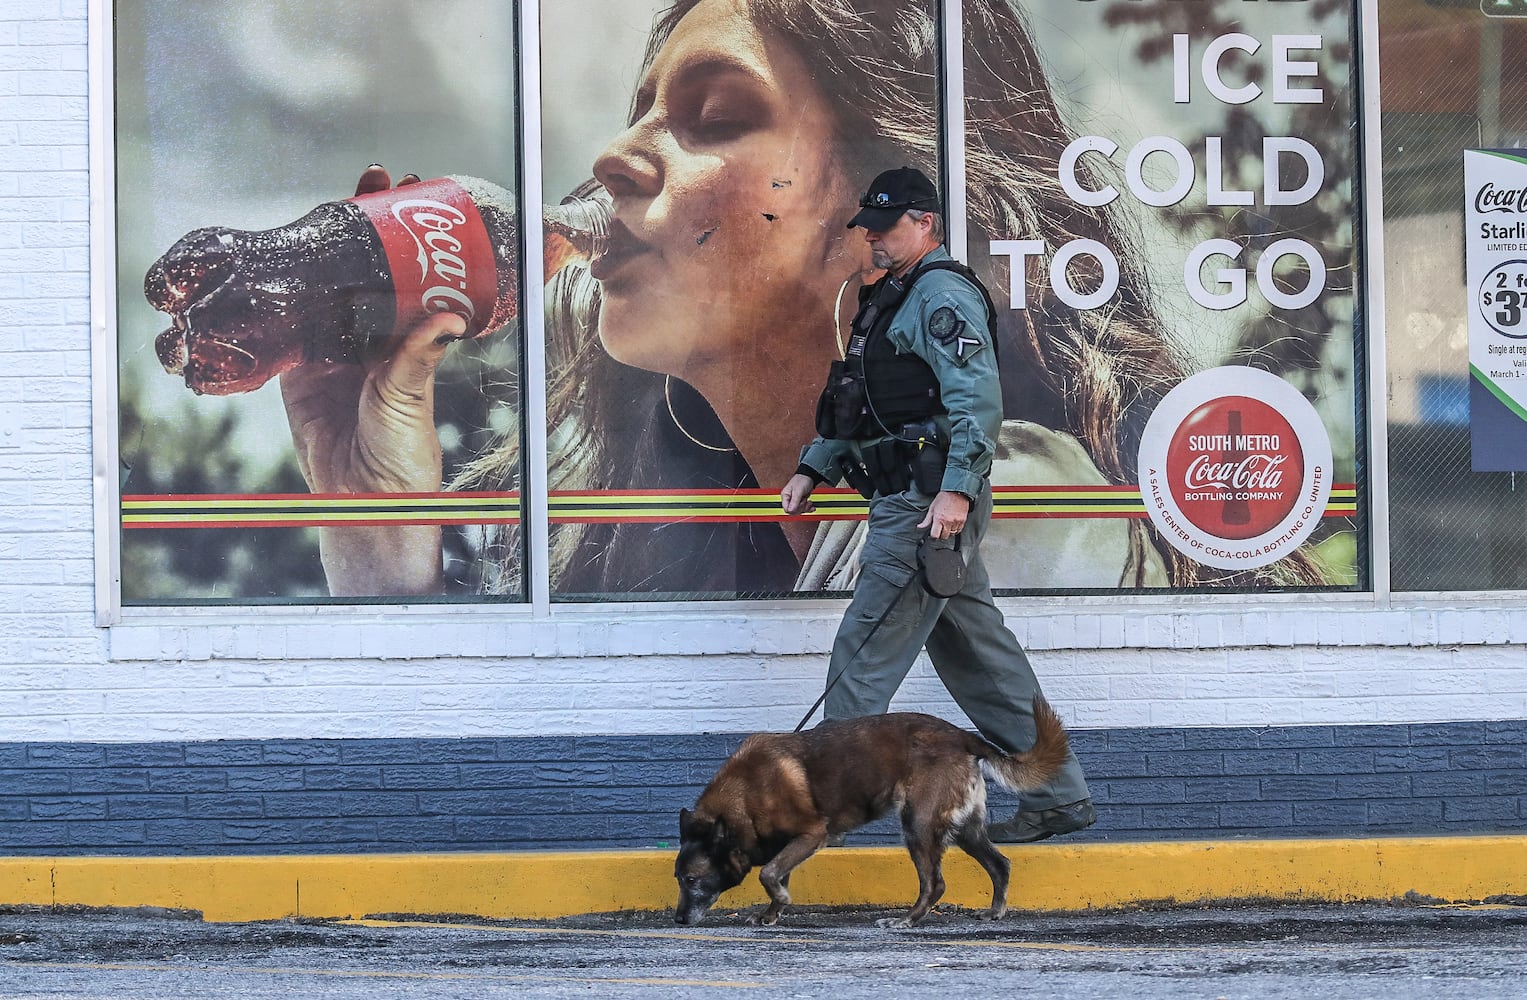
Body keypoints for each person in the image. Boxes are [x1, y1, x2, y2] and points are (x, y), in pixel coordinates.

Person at [282, 0, 1324, 598]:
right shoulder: (672, 546)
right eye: (643, 110)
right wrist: (378, 527)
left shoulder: (1029, 516)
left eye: (717, 117)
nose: (610, 157)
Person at [780, 165, 1093, 843]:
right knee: (981, 661)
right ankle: (1059, 797)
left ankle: (820, 816)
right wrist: (815, 466)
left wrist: (954, 489)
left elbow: (975, 401)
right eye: (870, 228)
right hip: (914, 497)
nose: (876, 239)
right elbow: (861, 408)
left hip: (923, 504)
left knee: (862, 656)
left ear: (926, 224)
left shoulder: (939, 294)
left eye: (889, 227)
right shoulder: (889, 296)